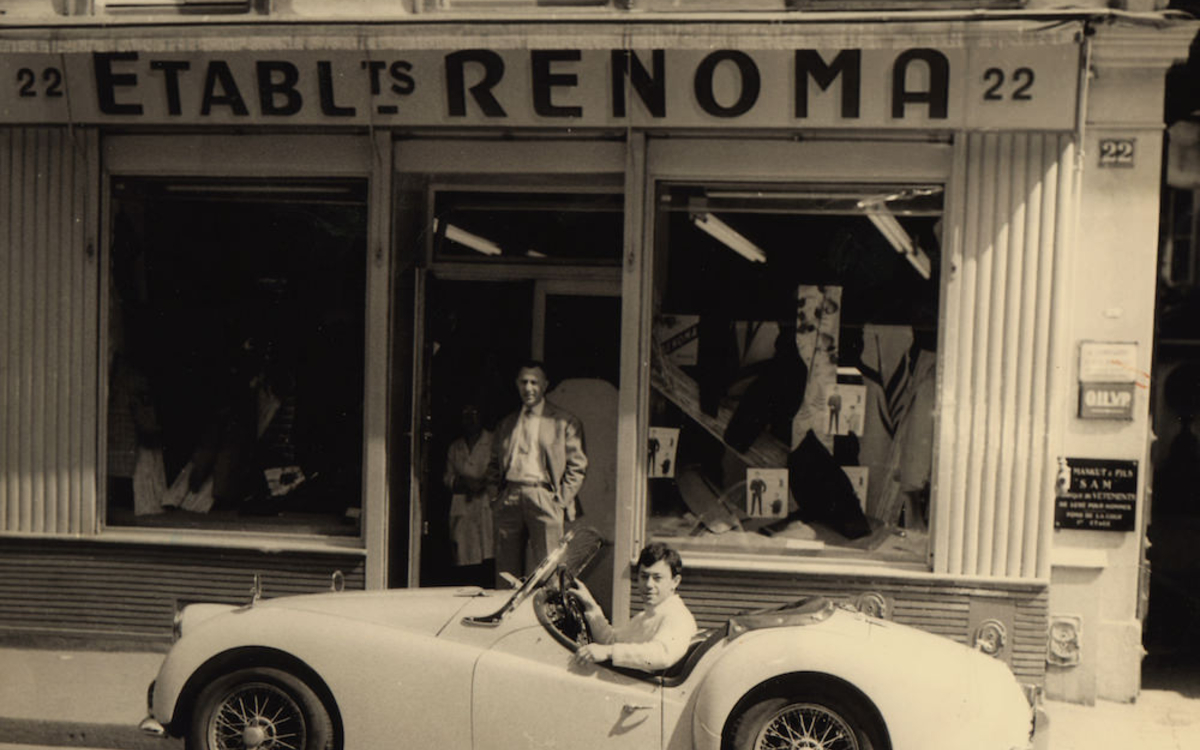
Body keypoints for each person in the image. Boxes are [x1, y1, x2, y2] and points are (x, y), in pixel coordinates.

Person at [487, 360, 588, 587]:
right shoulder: (507, 423)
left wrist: (560, 500)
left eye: (534, 382)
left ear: (545, 385)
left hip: (544, 496)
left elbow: (577, 466)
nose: (528, 388)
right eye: (524, 382)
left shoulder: (563, 421)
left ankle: (547, 614)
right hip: (509, 496)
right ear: (517, 384)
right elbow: (493, 465)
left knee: (549, 567)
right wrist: (495, 497)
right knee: (505, 569)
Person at [570, 542, 698, 672]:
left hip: (650, 690)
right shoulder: (646, 615)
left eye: (657, 578)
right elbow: (612, 640)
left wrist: (608, 652)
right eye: (644, 576)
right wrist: (590, 605)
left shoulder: (677, 616)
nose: (648, 584)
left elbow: (663, 654)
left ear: (675, 582)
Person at [442, 403, 495, 584]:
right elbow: (448, 477)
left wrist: (482, 482)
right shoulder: (455, 447)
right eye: (466, 414)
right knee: (464, 555)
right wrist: (462, 482)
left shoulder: (493, 441)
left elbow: (499, 470)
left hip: (486, 503)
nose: (470, 419)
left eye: (474, 413)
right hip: (462, 505)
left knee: (487, 555)